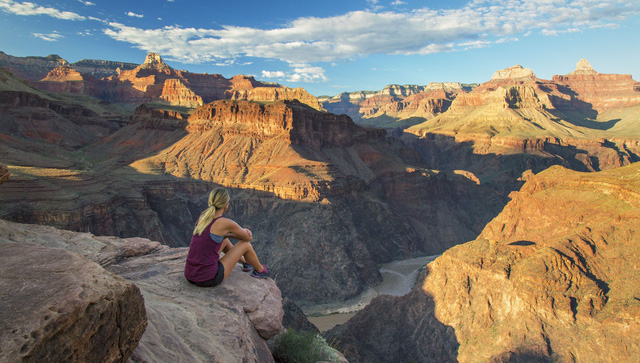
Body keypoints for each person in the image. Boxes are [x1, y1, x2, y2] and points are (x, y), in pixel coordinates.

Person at [185, 188, 269, 287]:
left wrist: (228, 234)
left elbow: (213, 236)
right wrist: (246, 230)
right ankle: (261, 270)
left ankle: (246, 263)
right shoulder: (224, 223)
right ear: (226, 205)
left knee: (223, 239)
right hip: (208, 278)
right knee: (245, 245)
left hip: (190, 275)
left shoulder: (203, 217)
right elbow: (247, 239)